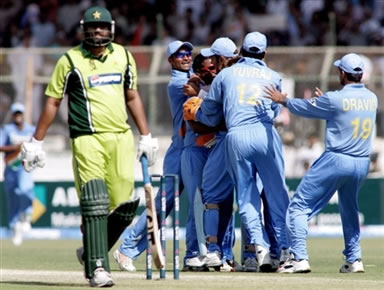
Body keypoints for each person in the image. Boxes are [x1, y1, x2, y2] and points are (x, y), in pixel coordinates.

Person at [20, 6, 158, 287]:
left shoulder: (123, 56)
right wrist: (36, 141)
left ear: (112, 29)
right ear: (84, 29)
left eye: (103, 27)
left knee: (126, 205)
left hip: (120, 137)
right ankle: (98, 268)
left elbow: (132, 97)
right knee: (94, 201)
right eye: (93, 27)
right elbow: (52, 101)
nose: (98, 31)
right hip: (87, 138)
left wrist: (146, 135)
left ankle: (91, 250)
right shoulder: (69, 60)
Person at [184, 32, 290, 272]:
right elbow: (274, 112)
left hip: (234, 137)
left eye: (215, 58)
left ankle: (248, 250)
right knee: (275, 195)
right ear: (263, 53)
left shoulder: (226, 76)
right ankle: (283, 250)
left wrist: (194, 108)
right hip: (265, 134)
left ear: (239, 52)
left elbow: (209, 114)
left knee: (243, 196)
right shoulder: (273, 75)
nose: (211, 64)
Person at [265, 53, 378, 273]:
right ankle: (354, 260)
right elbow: (342, 111)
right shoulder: (371, 98)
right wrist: (325, 100)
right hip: (361, 162)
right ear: (361, 74)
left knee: (298, 207)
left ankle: (299, 258)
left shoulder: (335, 99)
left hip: (337, 159)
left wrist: (283, 100)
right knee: (349, 209)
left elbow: (307, 108)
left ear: (343, 73)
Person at [113, 40, 193, 272]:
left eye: (189, 53)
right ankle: (126, 249)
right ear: (171, 61)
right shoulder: (178, 83)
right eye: (180, 55)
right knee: (161, 205)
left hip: (190, 148)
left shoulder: (192, 75)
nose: (186, 57)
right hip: (179, 151)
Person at [0, 103, 36, 246]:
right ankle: (15, 227)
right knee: (12, 196)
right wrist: (16, 147)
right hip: (10, 167)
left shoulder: (31, 129)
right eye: (15, 113)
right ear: (13, 115)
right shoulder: (7, 129)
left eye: (20, 113)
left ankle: (26, 216)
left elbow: (37, 145)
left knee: (24, 188)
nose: (18, 116)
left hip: (24, 166)